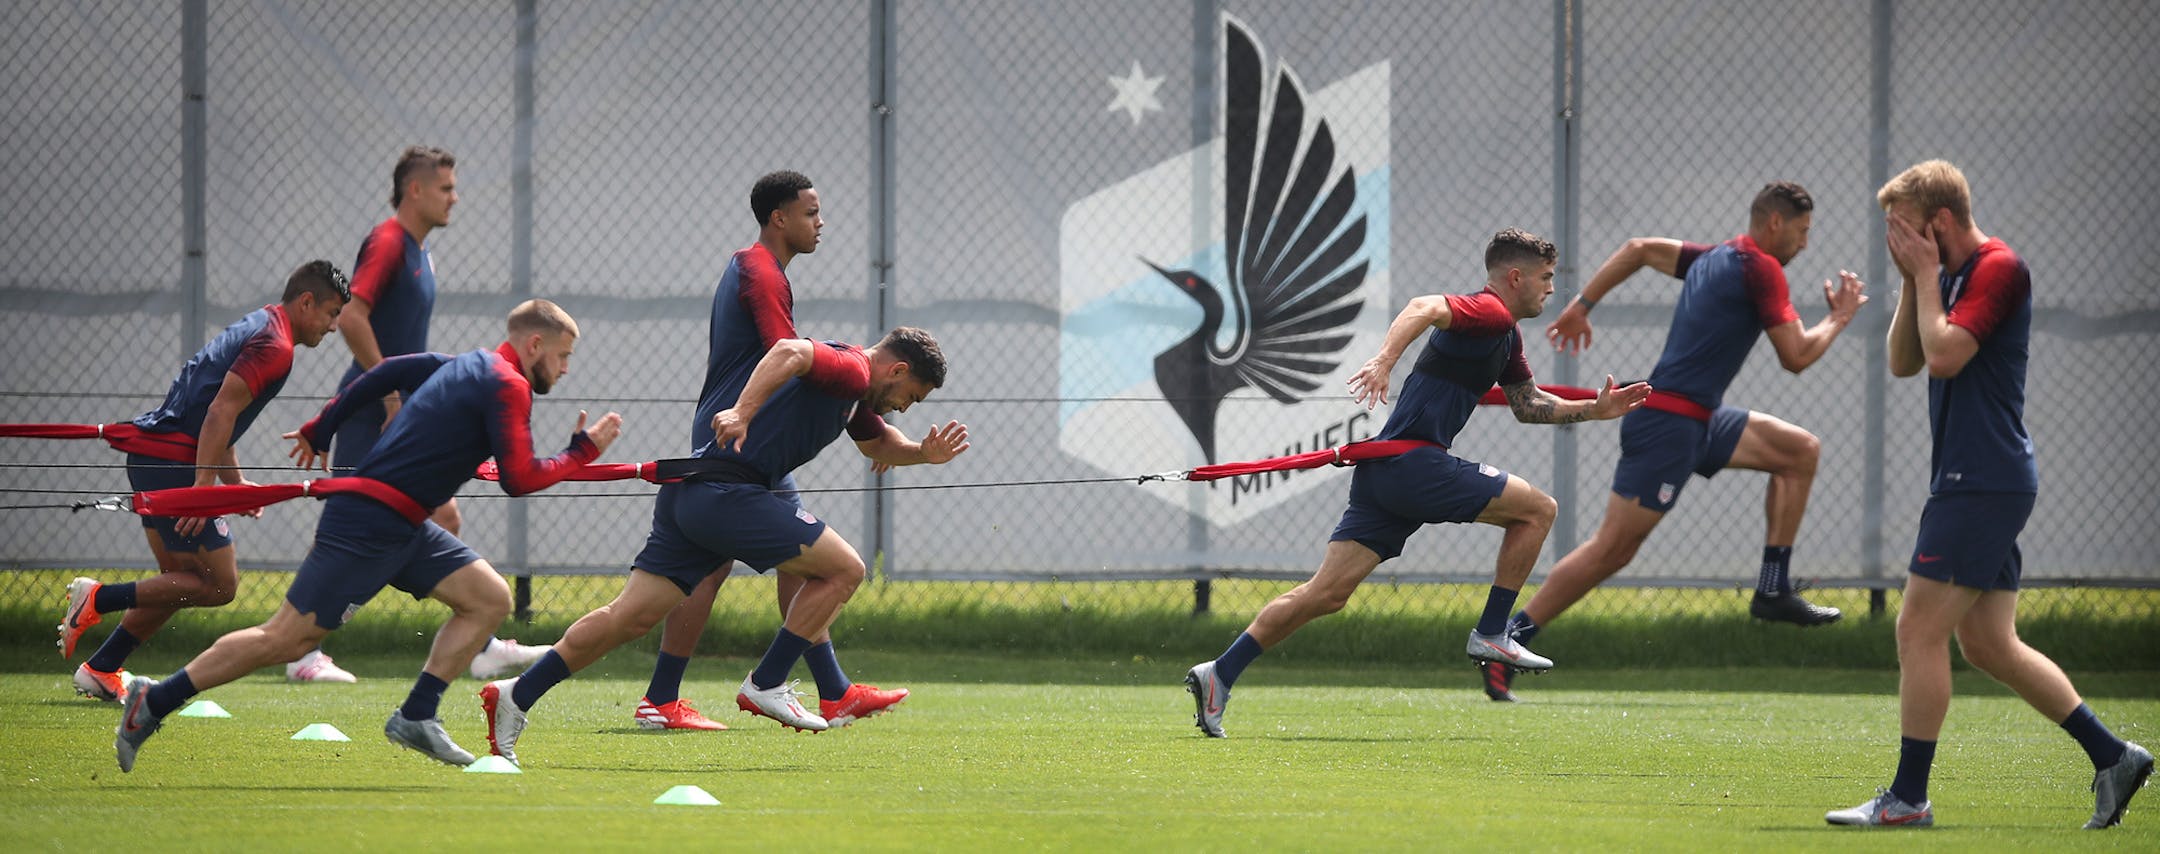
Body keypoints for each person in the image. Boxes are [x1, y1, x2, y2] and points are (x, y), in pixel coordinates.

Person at [113, 300, 623, 772]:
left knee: (488, 598)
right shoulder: (507, 384)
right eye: (562, 356)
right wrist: (581, 451)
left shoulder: (468, 364)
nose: (564, 369)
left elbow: (388, 371)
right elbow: (520, 478)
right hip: (367, 522)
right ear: (534, 346)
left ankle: (417, 715)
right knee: (287, 638)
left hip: (404, 524)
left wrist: (322, 424)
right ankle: (154, 700)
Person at [1181, 229, 1650, 738]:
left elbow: (1527, 405)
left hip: (1386, 474)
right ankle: (1494, 632)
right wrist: (1383, 361)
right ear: (1515, 278)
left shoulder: (1506, 336)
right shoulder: (1488, 312)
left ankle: (1219, 673)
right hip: (1414, 465)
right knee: (1538, 510)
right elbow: (1423, 305)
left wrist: (1595, 411)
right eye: (1546, 278)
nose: (1551, 289)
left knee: (1327, 593)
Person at [1825, 160, 2150, 829]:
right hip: (1976, 478)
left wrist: (1923, 277)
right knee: (1988, 644)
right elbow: (1905, 360)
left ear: (1940, 222)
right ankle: (2113, 755)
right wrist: (1914, 277)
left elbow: (1945, 356)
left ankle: (1908, 799)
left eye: (1909, 233)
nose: (1902, 245)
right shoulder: (1942, 275)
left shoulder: (2000, 268)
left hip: (1983, 478)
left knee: (1917, 629)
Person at [479, 328, 964, 764]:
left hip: (693, 495)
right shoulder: (853, 368)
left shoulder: (854, 393)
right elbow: (788, 350)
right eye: (911, 396)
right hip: (726, 495)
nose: (905, 406)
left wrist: (922, 453)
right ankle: (767, 682)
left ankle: (518, 694)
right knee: (845, 570)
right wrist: (741, 410)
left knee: (628, 618)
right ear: (896, 369)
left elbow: (877, 443)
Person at [1486, 181, 1867, 702]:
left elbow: (1639, 249)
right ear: (1774, 224)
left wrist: (1582, 305)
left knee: (1799, 451)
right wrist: (1840, 317)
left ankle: (1773, 587)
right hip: (1668, 423)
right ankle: (1508, 640)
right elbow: (1796, 355)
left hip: (1701, 419)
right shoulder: (1761, 268)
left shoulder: (1713, 258)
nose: (1805, 244)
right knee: (1612, 549)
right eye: (1801, 232)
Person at [628, 170, 907, 732]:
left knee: (775, 563)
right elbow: (788, 355)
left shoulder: (763, 271)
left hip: (742, 436)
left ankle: (826, 691)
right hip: (737, 439)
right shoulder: (760, 271)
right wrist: (850, 412)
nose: (820, 223)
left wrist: (864, 421)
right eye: (810, 213)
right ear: (779, 218)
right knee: (794, 563)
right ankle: (762, 687)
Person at [297, 144, 545, 684]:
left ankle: (480, 640)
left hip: (397, 409)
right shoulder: (388, 242)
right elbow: (354, 318)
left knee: (442, 517)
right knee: (348, 525)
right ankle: (302, 643)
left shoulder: (421, 250)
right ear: (415, 190)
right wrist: (389, 398)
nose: (455, 197)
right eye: (446, 188)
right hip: (375, 410)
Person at [57, 261, 348, 702]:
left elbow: (219, 414)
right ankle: (98, 598)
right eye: (330, 314)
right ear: (306, 302)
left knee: (177, 580)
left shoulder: (262, 323)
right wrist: (203, 492)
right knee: (218, 584)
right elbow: (219, 413)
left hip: (152, 456)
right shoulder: (276, 346)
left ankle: (102, 667)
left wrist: (234, 484)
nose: (331, 328)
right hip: (175, 463)